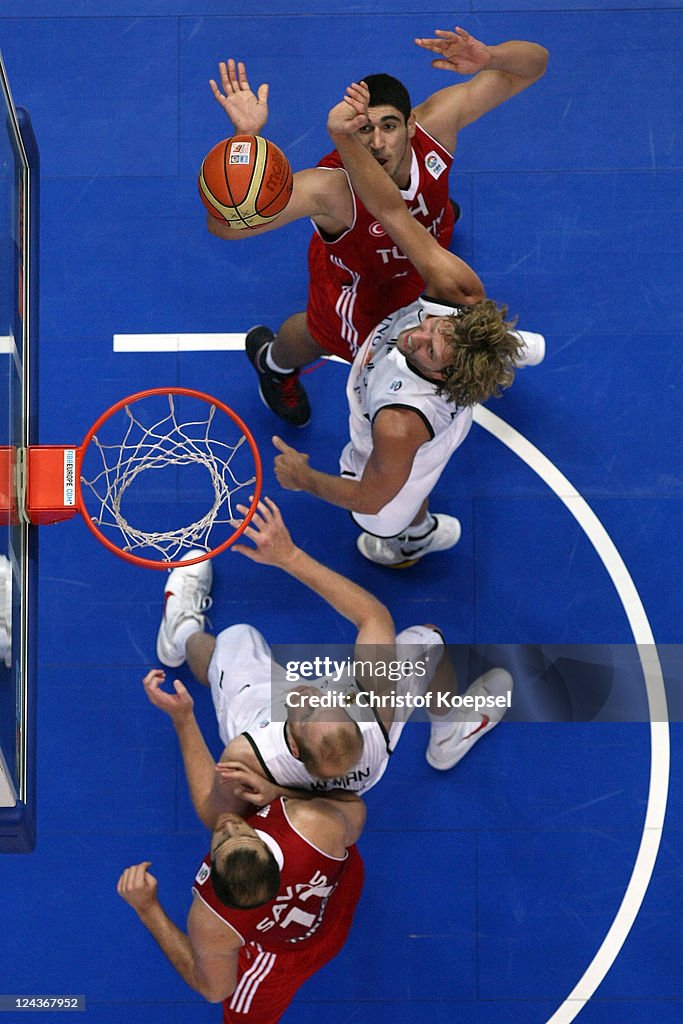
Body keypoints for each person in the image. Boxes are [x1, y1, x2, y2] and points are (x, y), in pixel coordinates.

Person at [207, 27, 549, 425]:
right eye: (363, 128)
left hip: (422, 257)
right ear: (348, 130)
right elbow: (225, 226)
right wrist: (246, 140)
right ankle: (274, 363)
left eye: (389, 126)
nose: (377, 142)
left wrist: (491, 56)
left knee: (430, 235)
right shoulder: (330, 188)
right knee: (318, 334)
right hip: (363, 288)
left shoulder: (435, 127)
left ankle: (435, 214)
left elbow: (534, 64)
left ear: (411, 123)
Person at [269, 81, 543, 568]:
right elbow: (391, 208)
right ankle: (506, 347)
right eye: (441, 329)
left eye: (429, 352)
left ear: (442, 377)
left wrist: (306, 479)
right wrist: (342, 137)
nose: (417, 332)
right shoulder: (461, 297)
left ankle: (411, 538)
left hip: (393, 480)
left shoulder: (396, 423)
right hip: (444, 399)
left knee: (397, 510)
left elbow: (372, 497)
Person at [153, 497, 512, 791]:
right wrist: (290, 557)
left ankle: (179, 632)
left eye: (309, 709)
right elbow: (373, 617)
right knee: (428, 642)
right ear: (356, 717)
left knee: (232, 642)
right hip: (355, 768)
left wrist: (185, 721)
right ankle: (450, 734)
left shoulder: (249, 752)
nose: (309, 691)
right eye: (329, 702)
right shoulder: (375, 711)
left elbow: (214, 815)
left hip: (258, 710)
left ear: (292, 745)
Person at [117, 739, 365, 1022]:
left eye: (224, 841)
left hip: (278, 960)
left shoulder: (214, 923)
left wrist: (147, 908)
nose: (229, 825)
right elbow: (354, 808)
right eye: (241, 834)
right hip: (337, 893)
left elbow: (215, 991)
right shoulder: (313, 826)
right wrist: (282, 793)